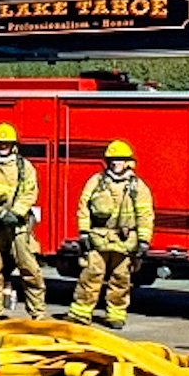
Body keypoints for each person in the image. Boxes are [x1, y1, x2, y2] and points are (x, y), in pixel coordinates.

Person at [68, 139, 155, 330]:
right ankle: (80, 313)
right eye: (113, 160)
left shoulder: (137, 187)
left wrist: (143, 241)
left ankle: (116, 315)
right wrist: (83, 233)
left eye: (120, 160)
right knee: (90, 276)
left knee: (121, 280)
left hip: (125, 243)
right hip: (98, 239)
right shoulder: (96, 182)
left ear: (128, 162)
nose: (116, 164)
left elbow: (145, 215)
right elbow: (83, 207)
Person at [0, 123, 47, 321]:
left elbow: (30, 192)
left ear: (14, 144)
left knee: (30, 269)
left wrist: (16, 213)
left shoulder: (25, 167)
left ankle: (38, 312)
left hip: (19, 226)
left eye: (6, 143)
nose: (3, 146)